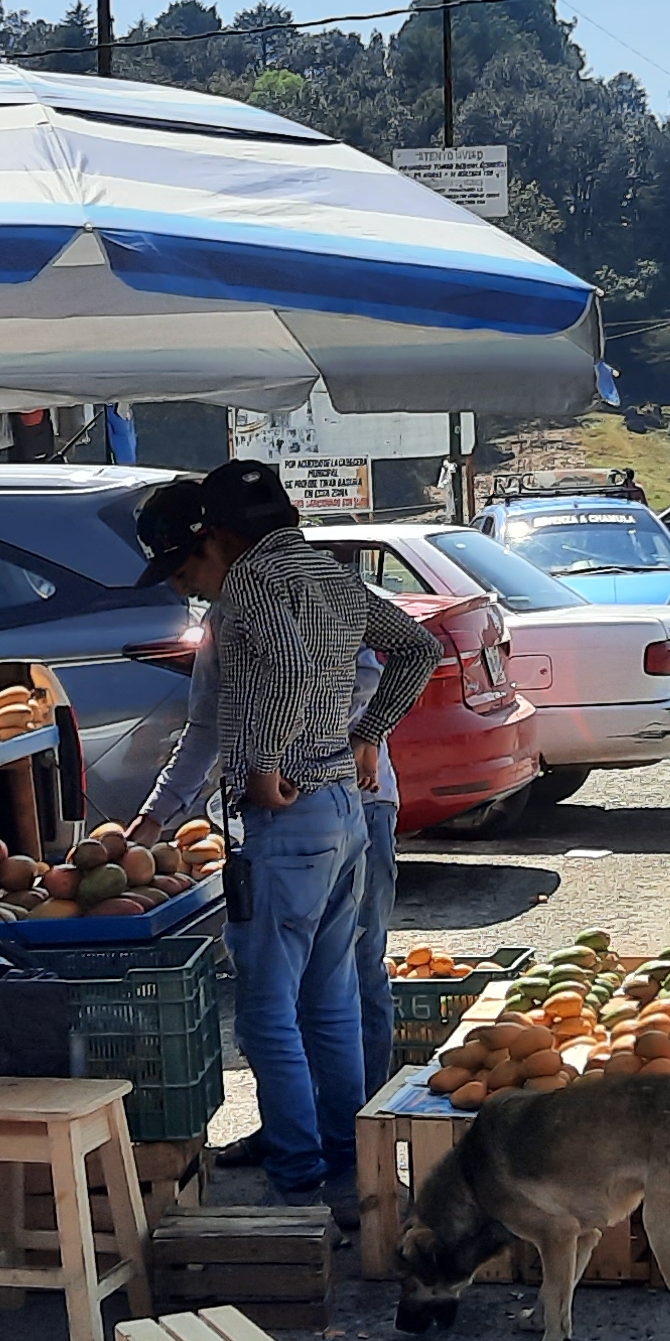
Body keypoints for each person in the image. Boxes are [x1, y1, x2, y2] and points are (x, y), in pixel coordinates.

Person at [133, 464, 436, 1223]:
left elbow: (292, 668)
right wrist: (366, 736)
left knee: (267, 1013)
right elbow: (419, 648)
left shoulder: (253, 584)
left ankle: (298, 1179)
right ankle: (345, 1169)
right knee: (330, 1005)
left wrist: (265, 764)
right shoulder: (326, 575)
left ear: (218, 534)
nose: (190, 585)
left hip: (290, 817)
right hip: (340, 809)